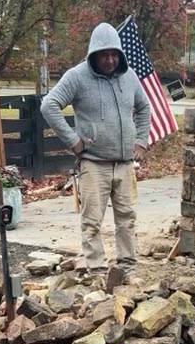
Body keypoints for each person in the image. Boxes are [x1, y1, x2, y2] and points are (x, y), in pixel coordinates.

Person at [41, 22, 151, 284]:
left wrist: (141, 141)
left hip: (125, 164)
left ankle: (127, 269)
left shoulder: (130, 77)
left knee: (127, 219)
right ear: (94, 54)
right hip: (93, 164)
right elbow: (49, 105)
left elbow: (144, 107)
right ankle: (97, 272)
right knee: (92, 221)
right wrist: (73, 141)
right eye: (104, 54)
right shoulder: (77, 77)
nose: (110, 59)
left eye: (114, 54)